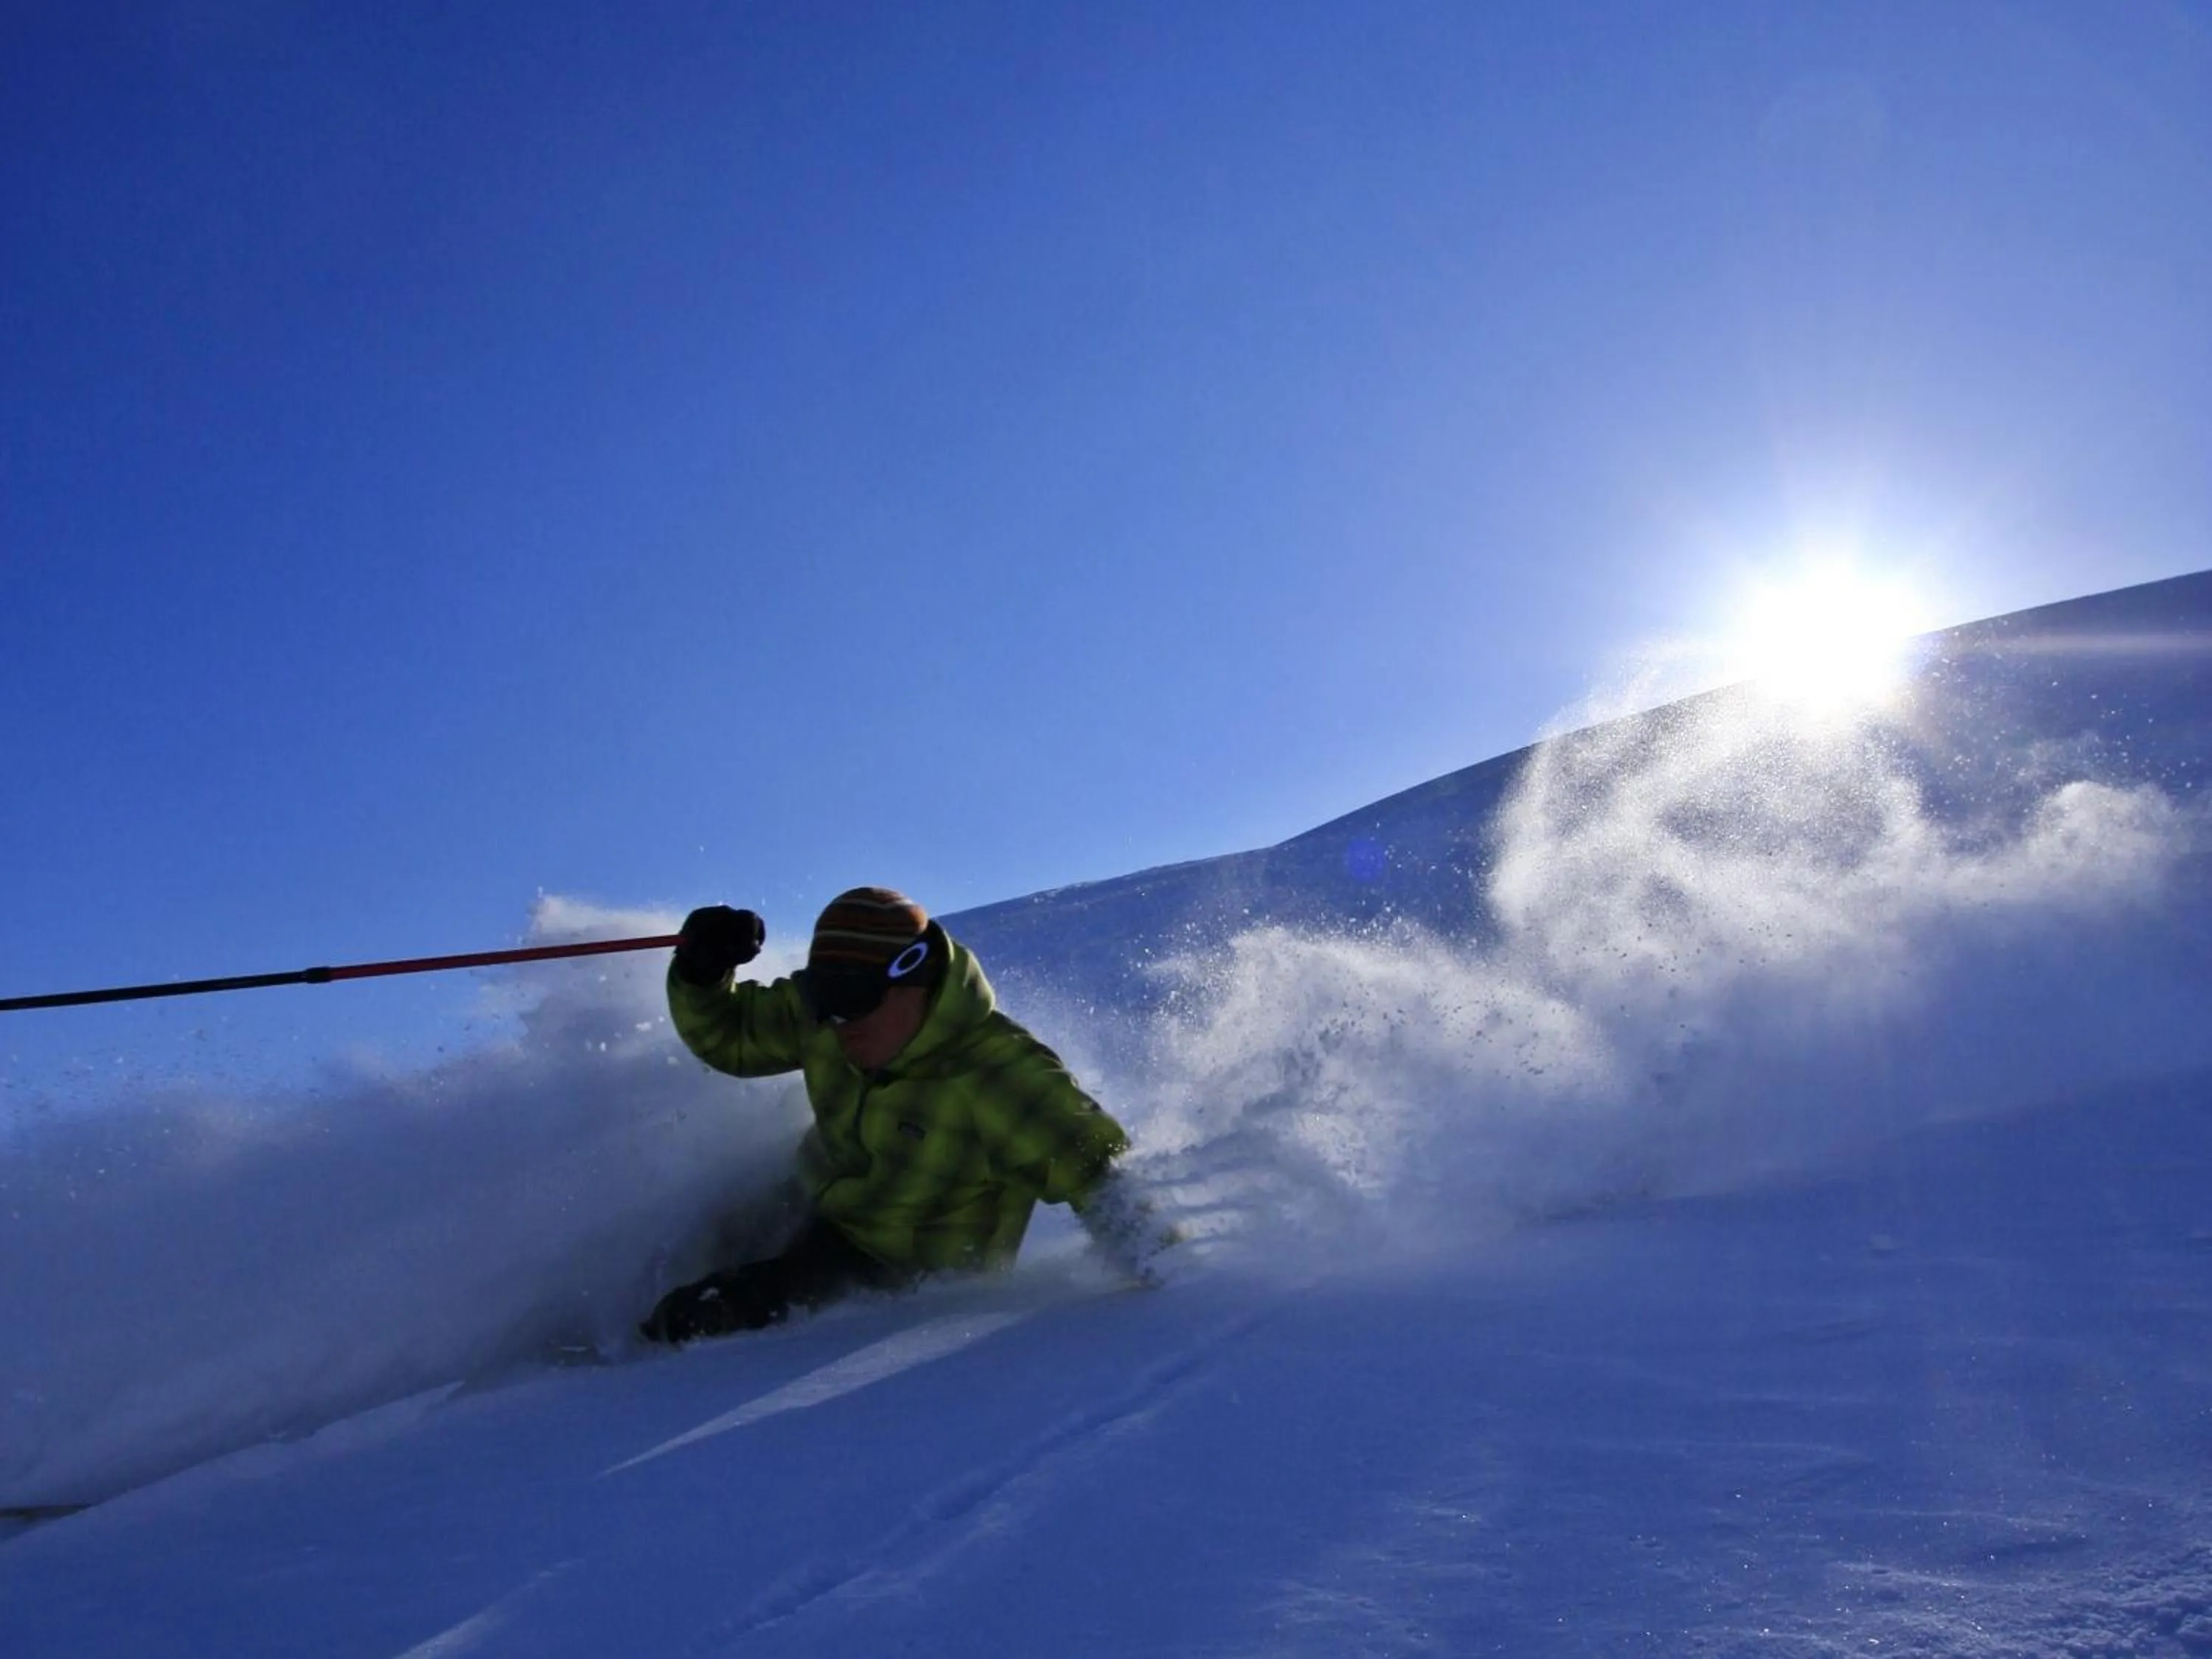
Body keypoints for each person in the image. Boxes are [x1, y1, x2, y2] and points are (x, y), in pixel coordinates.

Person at [640, 886, 1159, 1344]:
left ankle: (629, 1386)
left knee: (704, 1317)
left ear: (914, 974)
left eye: (851, 998)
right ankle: (591, 1338)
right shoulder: (831, 1020)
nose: (837, 1020)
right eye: (823, 997)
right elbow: (730, 1036)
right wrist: (702, 971)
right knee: (681, 1245)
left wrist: (1177, 1287)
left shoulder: (995, 1075)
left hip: (894, 1270)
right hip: (814, 1198)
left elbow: (1103, 1180)